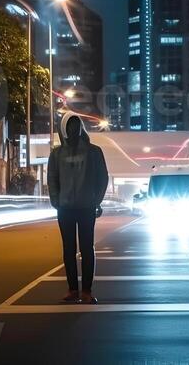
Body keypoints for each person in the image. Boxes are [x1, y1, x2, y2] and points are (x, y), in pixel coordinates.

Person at [47, 111, 109, 304]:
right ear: (63, 129)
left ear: (81, 128)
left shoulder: (94, 152)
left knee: (87, 248)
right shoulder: (56, 154)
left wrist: (96, 201)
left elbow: (102, 178)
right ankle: (73, 290)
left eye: (77, 126)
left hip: (86, 207)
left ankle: (87, 291)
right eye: (70, 127)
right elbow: (52, 179)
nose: (74, 130)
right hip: (65, 208)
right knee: (68, 250)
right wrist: (56, 200)